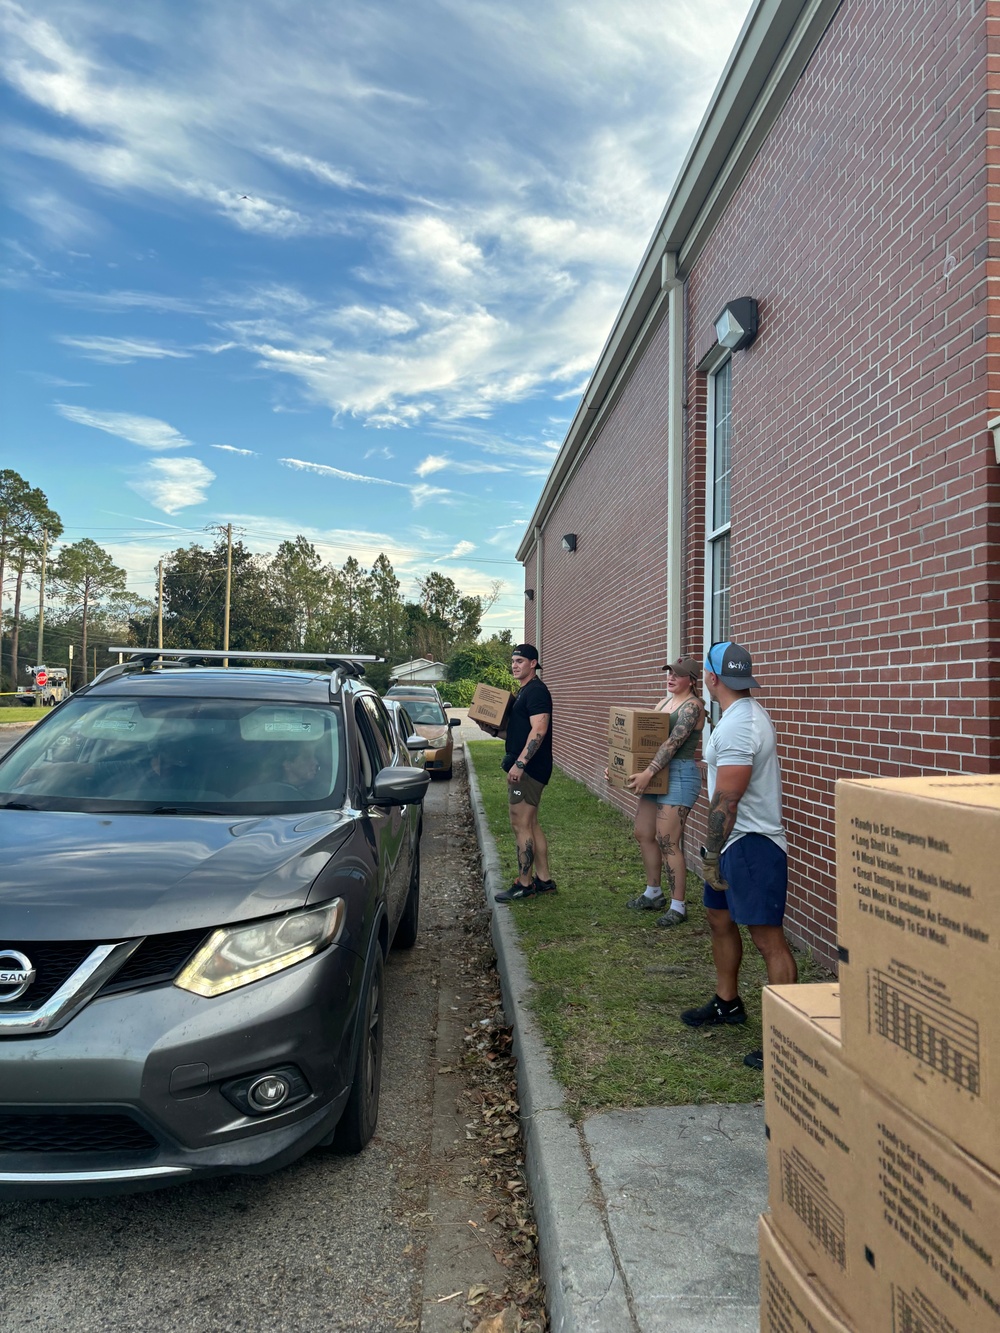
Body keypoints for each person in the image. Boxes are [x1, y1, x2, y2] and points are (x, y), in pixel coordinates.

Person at [680, 641, 796, 1071]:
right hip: (731, 844)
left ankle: (786, 1038)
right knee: (720, 920)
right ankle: (728, 1003)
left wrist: (710, 852)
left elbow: (728, 797)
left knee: (768, 940)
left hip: (751, 845)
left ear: (711, 679)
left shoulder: (739, 727)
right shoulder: (737, 716)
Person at [617, 657, 705, 927]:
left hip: (678, 776)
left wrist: (647, 773)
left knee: (668, 841)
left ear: (691, 680)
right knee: (643, 833)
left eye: (677, 675)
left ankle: (678, 906)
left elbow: (672, 743)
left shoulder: (693, 707)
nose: (670, 678)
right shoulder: (664, 703)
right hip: (656, 775)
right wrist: (619, 770)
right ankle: (653, 893)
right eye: (669, 673)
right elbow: (644, 744)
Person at [479, 644, 555, 903]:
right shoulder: (525, 692)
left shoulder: (536, 692)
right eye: (513, 661)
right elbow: (518, 733)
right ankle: (544, 880)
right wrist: (491, 730)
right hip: (529, 766)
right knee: (531, 823)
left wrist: (520, 764)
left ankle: (524, 883)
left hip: (530, 770)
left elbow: (539, 730)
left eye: (520, 661)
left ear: (533, 663)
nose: (514, 665)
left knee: (519, 823)